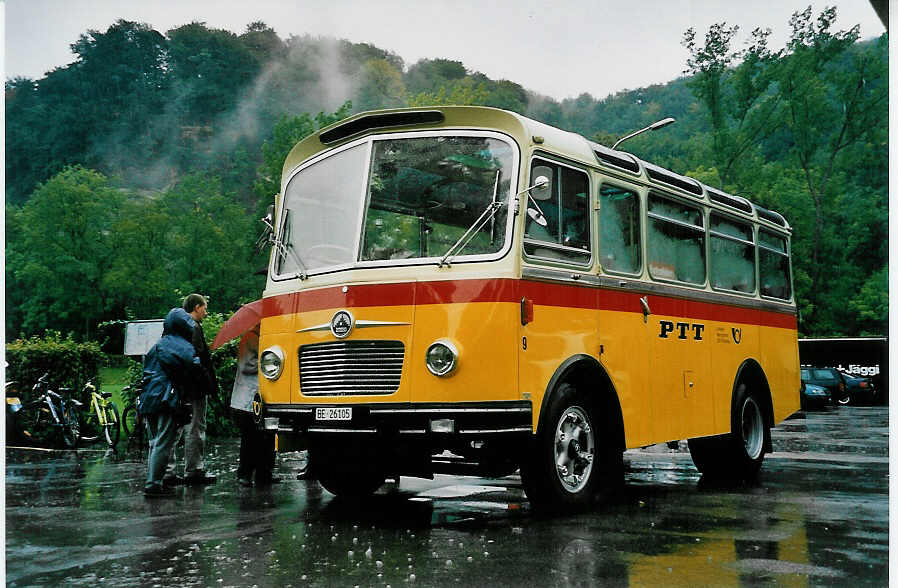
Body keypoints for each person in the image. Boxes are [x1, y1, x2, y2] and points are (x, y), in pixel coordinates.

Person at [139, 307, 204, 497]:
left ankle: (154, 480)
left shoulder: (157, 345)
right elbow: (194, 369)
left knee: (154, 442)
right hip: (167, 399)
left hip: (148, 398)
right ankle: (153, 484)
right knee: (163, 442)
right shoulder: (182, 346)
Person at [167, 293, 219, 486]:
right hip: (195, 387)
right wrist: (207, 383)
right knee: (196, 428)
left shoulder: (175, 328)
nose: (206, 311)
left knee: (175, 428)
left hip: (179, 386)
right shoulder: (194, 328)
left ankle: (168, 471)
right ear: (197, 307)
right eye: (204, 307)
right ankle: (194, 470)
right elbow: (198, 359)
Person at [230, 326, 278, 486]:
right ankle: (245, 474)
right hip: (247, 399)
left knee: (267, 437)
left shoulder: (263, 337)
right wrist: (268, 363)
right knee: (251, 439)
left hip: (260, 397)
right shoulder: (250, 338)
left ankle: (264, 473)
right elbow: (246, 365)